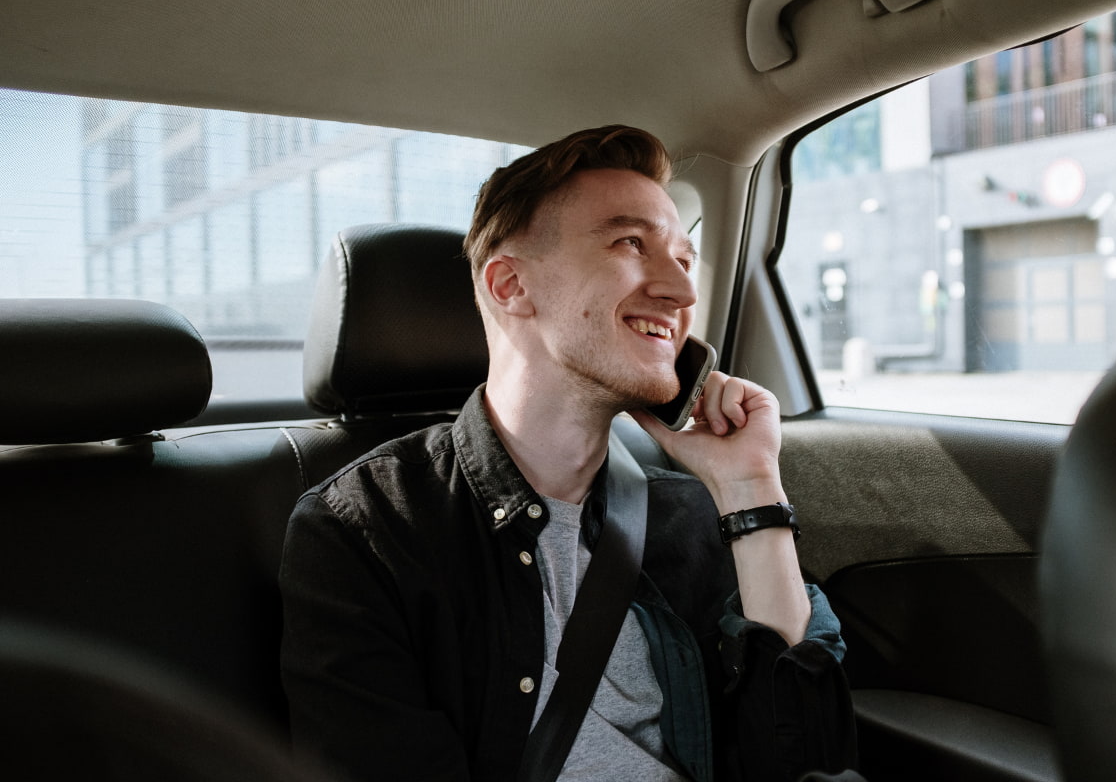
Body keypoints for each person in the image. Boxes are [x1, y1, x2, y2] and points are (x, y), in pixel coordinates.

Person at [279, 125, 858, 781]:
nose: (683, 291)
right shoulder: (368, 531)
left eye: (684, 258)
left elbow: (805, 761)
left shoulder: (690, 515)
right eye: (630, 243)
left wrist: (751, 487)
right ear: (510, 286)